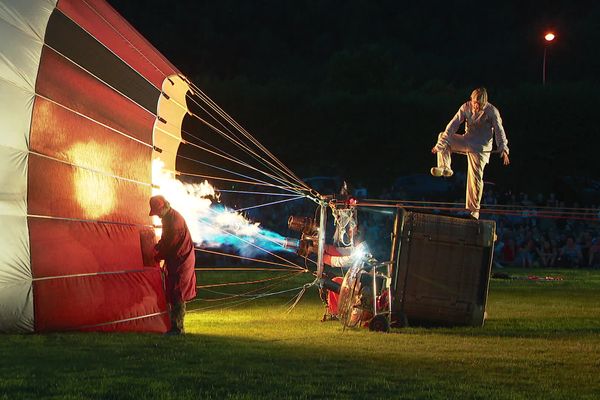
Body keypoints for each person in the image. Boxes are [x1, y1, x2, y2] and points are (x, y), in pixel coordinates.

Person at [431, 87, 510, 219]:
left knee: (475, 178)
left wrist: (504, 149)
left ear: (484, 102)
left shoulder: (492, 112)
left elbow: (499, 131)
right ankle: (445, 167)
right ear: (471, 100)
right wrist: (440, 145)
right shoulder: (466, 107)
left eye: (479, 104)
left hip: (480, 148)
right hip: (467, 140)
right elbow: (453, 124)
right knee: (443, 137)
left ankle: (474, 210)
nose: (476, 106)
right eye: (474, 102)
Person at [149, 195, 197, 335]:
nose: (157, 215)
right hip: (177, 259)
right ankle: (174, 326)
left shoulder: (174, 221)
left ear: (164, 207)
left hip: (181, 261)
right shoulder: (168, 218)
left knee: (178, 292)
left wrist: (156, 255)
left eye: (158, 211)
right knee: (173, 290)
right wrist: (158, 247)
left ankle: (177, 328)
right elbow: (165, 240)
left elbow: (170, 245)